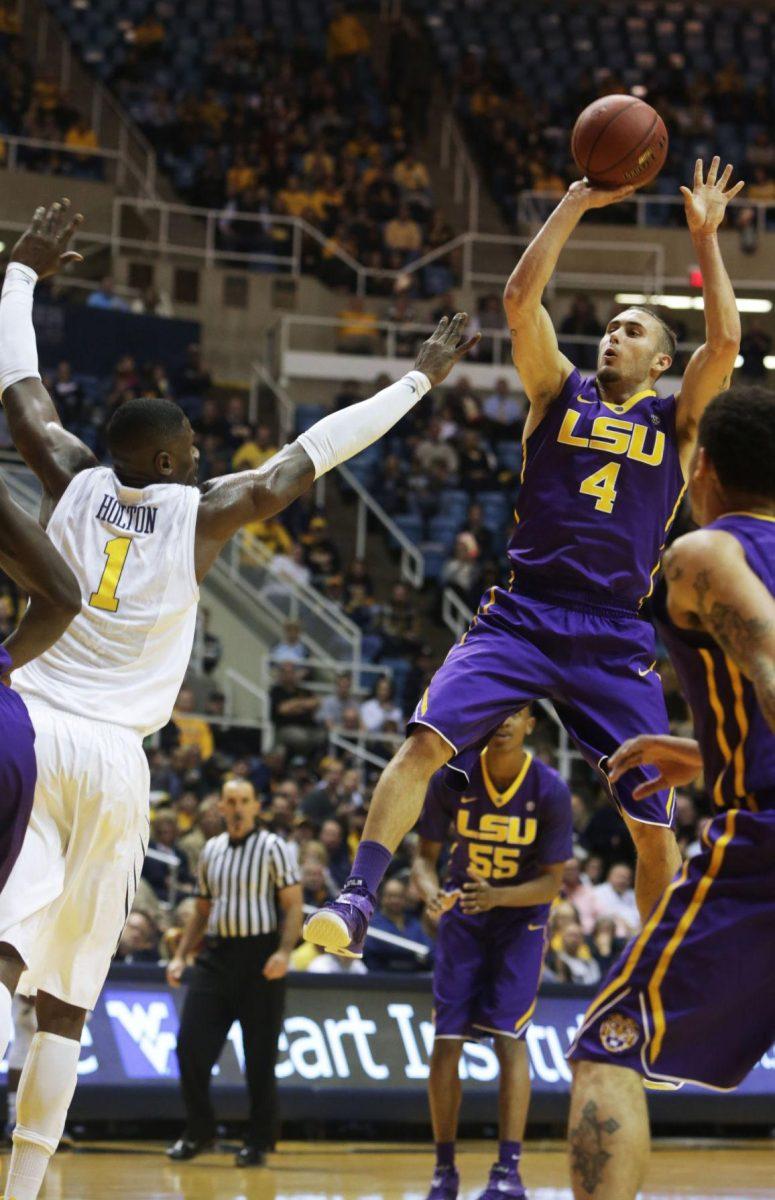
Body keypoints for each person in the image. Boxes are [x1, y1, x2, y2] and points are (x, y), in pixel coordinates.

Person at [0, 197, 479, 1200]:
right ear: (176, 460)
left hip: (29, 731)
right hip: (118, 764)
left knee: (4, 950)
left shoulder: (74, 473)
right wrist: (416, 379)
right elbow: (317, 452)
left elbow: (23, 390)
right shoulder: (209, 508)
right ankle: (26, 1181)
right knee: (65, 1007)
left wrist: (19, 276)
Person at [304, 157, 744, 958]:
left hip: (612, 634)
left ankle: (660, 982)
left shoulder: (679, 426)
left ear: (658, 362)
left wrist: (705, 239)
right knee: (423, 744)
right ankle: (358, 897)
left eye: (633, 330)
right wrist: (575, 200)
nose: (613, 336)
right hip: (522, 612)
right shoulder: (557, 391)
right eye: (609, 327)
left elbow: (724, 340)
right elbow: (517, 300)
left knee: (650, 827)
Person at [567, 385, 775, 1200]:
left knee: (607, 1049)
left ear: (702, 469)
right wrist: (711, 751)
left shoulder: (703, 555)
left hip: (762, 847)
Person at [412, 708, 572, 1200]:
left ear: (531, 725)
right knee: (446, 1039)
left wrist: (500, 897)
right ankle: (444, 1170)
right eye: (497, 712)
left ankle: (508, 1172)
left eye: (516, 714)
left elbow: (552, 882)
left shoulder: (550, 789)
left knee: (510, 1038)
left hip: (518, 922)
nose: (504, 721)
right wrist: (429, 891)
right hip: (464, 917)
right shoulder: (453, 777)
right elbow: (424, 857)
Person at [165, 779, 301, 1166]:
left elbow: (293, 906)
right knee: (190, 1048)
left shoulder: (274, 847)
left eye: (244, 801)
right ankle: (199, 1130)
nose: (238, 808)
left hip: (261, 959)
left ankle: (258, 1140)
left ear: (257, 806)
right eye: (230, 802)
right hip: (216, 957)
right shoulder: (211, 850)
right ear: (220, 808)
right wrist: (179, 955)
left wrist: (284, 952)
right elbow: (202, 910)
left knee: (259, 1059)